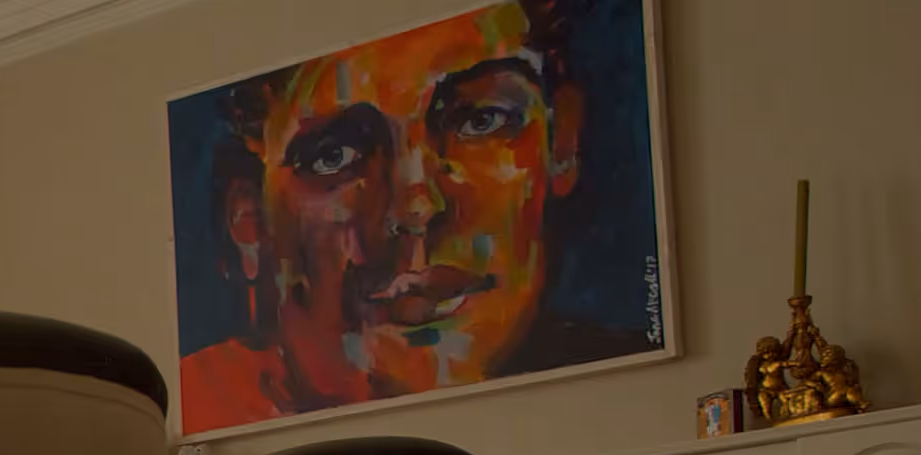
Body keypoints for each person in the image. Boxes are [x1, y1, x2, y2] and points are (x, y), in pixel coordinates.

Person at [178, 0, 653, 431]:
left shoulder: (637, 399)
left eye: (479, 121)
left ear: (562, 144)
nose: (417, 208)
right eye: (334, 156)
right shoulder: (188, 420)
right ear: (250, 224)